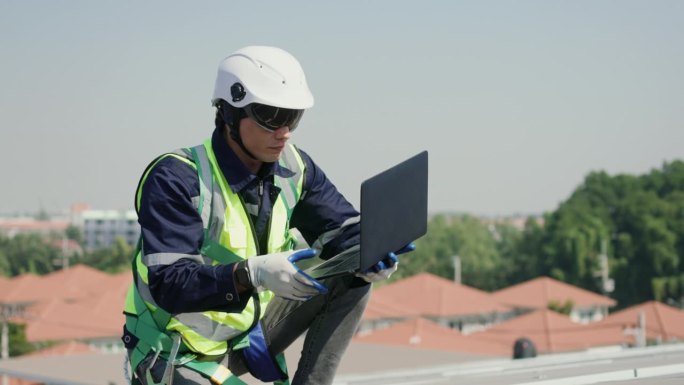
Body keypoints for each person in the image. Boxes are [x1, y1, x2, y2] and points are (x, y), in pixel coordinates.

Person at [122, 45, 415, 385]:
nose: (285, 132)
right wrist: (249, 274)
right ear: (230, 113)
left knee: (353, 272)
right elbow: (170, 285)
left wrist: (374, 251)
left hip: (248, 337)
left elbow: (343, 231)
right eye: (272, 116)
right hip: (176, 352)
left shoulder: (294, 166)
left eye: (292, 117)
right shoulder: (177, 177)